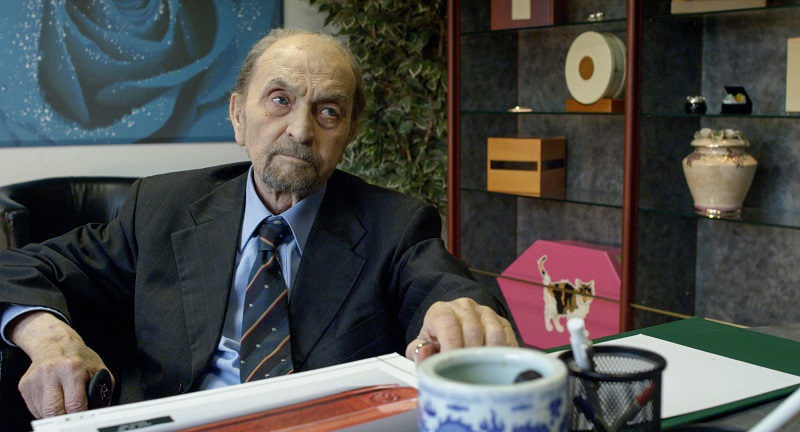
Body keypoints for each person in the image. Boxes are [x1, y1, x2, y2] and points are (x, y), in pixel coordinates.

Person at [0, 28, 518, 420]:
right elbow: (21, 266)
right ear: (237, 115)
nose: (300, 130)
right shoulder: (161, 206)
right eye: (279, 100)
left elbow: (447, 288)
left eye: (328, 112)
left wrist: (462, 314)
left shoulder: (395, 223)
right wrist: (48, 338)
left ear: (349, 133)